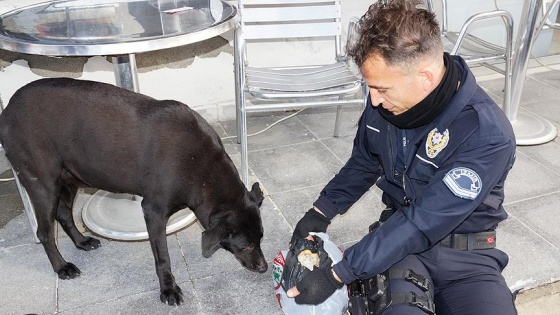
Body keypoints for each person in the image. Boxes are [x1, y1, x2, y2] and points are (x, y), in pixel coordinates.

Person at [285, 1, 518, 314]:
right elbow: (365, 162)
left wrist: (338, 274)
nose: (374, 99)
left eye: (382, 88)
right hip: (398, 250)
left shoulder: (486, 134)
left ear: (424, 77)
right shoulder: (386, 101)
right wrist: (321, 211)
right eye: (372, 88)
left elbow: (424, 220)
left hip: (468, 258)